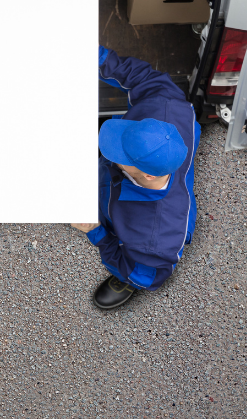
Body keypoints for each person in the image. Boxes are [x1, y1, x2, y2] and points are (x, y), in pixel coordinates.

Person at [71, 46, 200, 309]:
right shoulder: (167, 107)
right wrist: (96, 56)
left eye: (118, 153)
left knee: (132, 270)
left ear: (148, 174)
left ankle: (124, 279)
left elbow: (149, 277)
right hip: (119, 183)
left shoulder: (156, 239)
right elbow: (144, 78)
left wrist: (96, 232)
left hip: (138, 249)